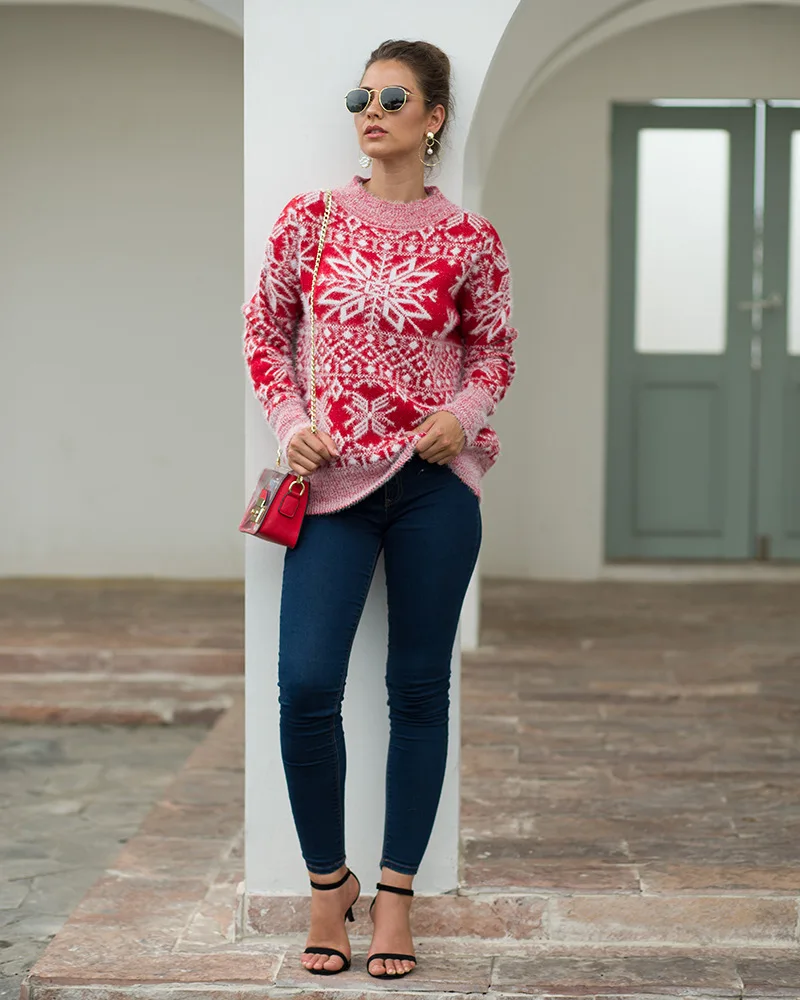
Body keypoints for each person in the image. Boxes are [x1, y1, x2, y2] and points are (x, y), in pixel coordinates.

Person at [242, 38, 517, 981]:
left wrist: (461, 416)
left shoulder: (471, 239)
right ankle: (330, 884)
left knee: (419, 690)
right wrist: (291, 423)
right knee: (307, 685)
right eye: (362, 97)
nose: (372, 111)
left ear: (433, 118)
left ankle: (397, 895)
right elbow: (265, 329)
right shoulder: (312, 218)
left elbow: (494, 355)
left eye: (394, 98)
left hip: (434, 488)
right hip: (330, 489)